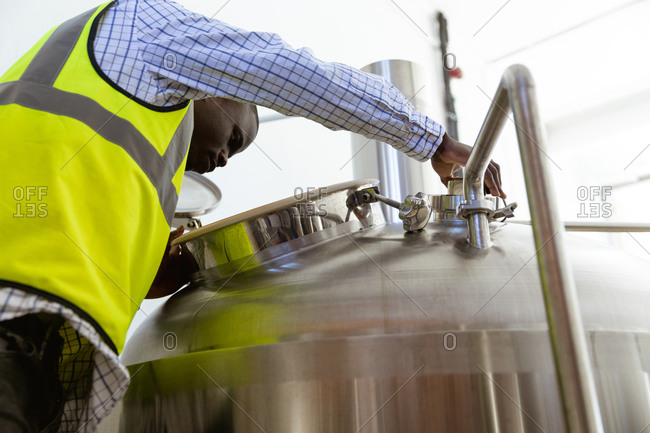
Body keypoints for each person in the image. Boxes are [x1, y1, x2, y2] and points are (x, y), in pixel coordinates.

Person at [0, 0, 505, 432]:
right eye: (236, 140)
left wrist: (147, 272)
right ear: (217, 84)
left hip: (42, 349)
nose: (223, 159)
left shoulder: (101, 122)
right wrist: (433, 142)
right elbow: (296, 74)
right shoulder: (143, 25)